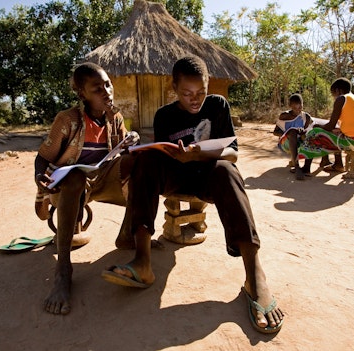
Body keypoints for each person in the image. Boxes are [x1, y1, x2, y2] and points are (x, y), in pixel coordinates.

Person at [101, 56, 284, 334]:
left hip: (209, 176)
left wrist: (200, 153)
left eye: (201, 92)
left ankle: (254, 277)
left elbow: (233, 152)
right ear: (173, 87)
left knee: (227, 170)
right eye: (186, 93)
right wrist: (169, 155)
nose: (195, 99)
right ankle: (143, 260)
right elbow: (163, 153)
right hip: (176, 179)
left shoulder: (218, 105)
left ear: (209, 86)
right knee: (145, 161)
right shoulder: (164, 115)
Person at [34, 62, 139, 315]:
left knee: (138, 165)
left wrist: (130, 143)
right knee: (76, 177)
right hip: (69, 186)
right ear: (82, 94)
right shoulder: (67, 120)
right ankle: (63, 270)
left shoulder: (115, 118)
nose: (106, 92)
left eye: (108, 84)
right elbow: (43, 157)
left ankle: (127, 234)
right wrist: (39, 175)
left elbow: (120, 154)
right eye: (97, 88)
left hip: (101, 180)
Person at [297, 78, 354, 167]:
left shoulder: (341, 99)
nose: (334, 97)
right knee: (335, 133)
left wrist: (317, 126)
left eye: (333, 93)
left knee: (314, 133)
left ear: (337, 90)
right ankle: (338, 164)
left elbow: (330, 126)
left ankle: (306, 168)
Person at [276, 93, 314, 180]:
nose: (297, 111)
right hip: (286, 143)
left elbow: (306, 131)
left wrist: (302, 132)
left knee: (311, 135)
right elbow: (276, 132)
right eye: (294, 108)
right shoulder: (284, 116)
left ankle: (307, 168)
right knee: (293, 131)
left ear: (303, 105)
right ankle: (297, 167)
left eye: (300, 108)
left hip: (299, 143)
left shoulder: (306, 117)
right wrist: (289, 133)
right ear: (290, 106)